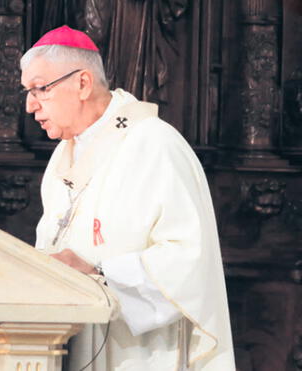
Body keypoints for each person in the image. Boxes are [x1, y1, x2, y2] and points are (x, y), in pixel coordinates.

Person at [21, 25, 236, 370]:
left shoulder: (154, 145)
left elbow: (189, 260)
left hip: (140, 351)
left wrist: (100, 270)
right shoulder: (63, 158)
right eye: (27, 91)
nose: (30, 105)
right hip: (73, 342)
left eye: (39, 89)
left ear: (83, 83)